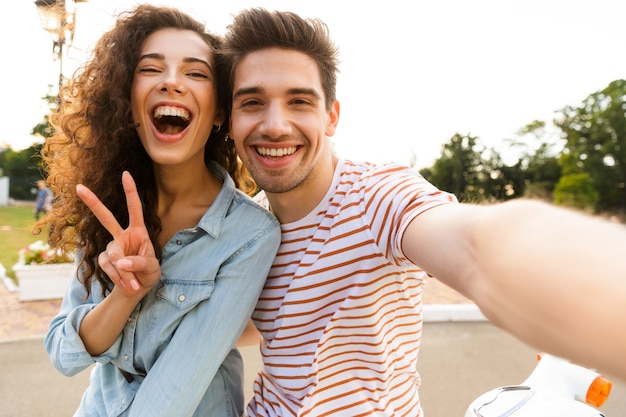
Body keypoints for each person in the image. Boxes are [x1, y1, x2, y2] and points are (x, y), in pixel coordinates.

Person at [216, 7, 626, 416]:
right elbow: (270, 326)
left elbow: (475, 246)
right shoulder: (246, 225)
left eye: (299, 101)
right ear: (229, 121)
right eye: (252, 102)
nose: (274, 125)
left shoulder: (377, 197)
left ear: (331, 117)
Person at [40, 5, 280, 417]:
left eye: (196, 73)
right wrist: (126, 294)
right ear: (127, 103)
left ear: (220, 111)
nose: (171, 82)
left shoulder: (249, 235)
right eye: (151, 69)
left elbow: (167, 402)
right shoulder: (107, 208)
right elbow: (65, 354)